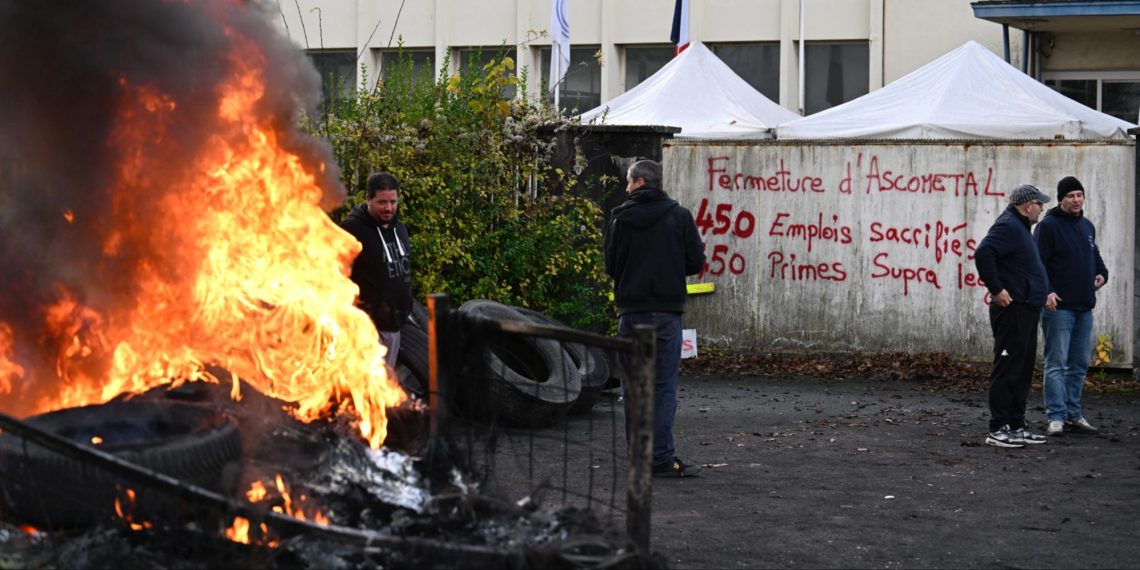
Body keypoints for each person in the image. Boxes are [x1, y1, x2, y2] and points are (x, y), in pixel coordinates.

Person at [604, 159, 706, 477]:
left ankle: (637, 457)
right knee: (662, 388)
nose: (626, 186)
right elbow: (695, 262)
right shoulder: (679, 216)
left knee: (633, 388)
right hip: (666, 313)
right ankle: (660, 459)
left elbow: (611, 266)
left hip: (631, 312)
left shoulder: (619, 219)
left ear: (640, 183)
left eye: (628, 181)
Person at [974, 184, 1052, 448]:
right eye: (1040, 204)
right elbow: (983, 253)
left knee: (1022, 369)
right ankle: (998, 428)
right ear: (1028, 205)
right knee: (1008, 367)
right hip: (1012, 310)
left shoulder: (1021, 229)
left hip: (1027, 308)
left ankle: (1016, 424)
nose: (1042, 209)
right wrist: (996, 289)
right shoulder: (1008, 225)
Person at [1034, 176, 1108, 436]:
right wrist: (1047, 291)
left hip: (1084, 306)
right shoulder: (1048, 227)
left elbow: (1094, 255)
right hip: (1059, 308)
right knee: (1057, 362)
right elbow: (1038, 263)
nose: (1076, 200)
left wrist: (1102, 273)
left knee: (1078, 363)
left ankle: (1073, 413)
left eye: (1079, 195)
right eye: (1070, 196)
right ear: (1061, 199)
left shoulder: (1087, 226)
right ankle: (1055, 416)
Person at [340, 172, 413, 369]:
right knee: (367, 391)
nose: (388, 208)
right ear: (368, 199)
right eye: (382, 202)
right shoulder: (351, 231)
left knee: (386, 389)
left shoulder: (400, 229)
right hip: (366, 331)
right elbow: (333, 277)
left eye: (393, 201)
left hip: (394, 327)